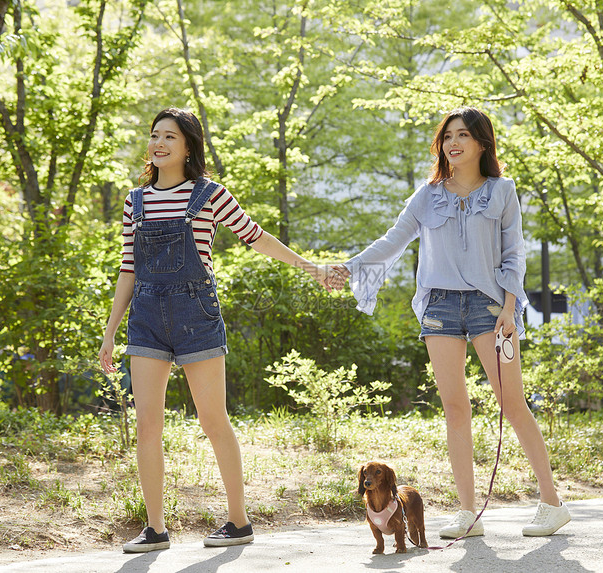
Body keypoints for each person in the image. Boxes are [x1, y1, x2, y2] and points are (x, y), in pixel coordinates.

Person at [99, 108, 335, 553]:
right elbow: (128, 267)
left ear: (189, 145)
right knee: (147, 425)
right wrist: (111, 331)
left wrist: (312, 268)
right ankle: (155, 529)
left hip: (196, 315)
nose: (159, 143)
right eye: (154, 135)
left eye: (170, 136)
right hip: (146, 317)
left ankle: (238, 521)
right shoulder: (135, 201)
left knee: (213, 420)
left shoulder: (210, 194)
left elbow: (257, 236)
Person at [333, 107, 571, 538]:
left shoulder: (502, 191)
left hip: (488, 305)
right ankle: (467, 513)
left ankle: (552, 503)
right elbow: (393, 241)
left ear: (482, 142)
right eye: (447, 136)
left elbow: (514, 253)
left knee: (512, 404)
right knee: (455, 409)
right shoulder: (427, 195)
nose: (453, 143)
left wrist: (510, 308)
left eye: (463, 135)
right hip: (440, 306)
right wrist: (347, 268)